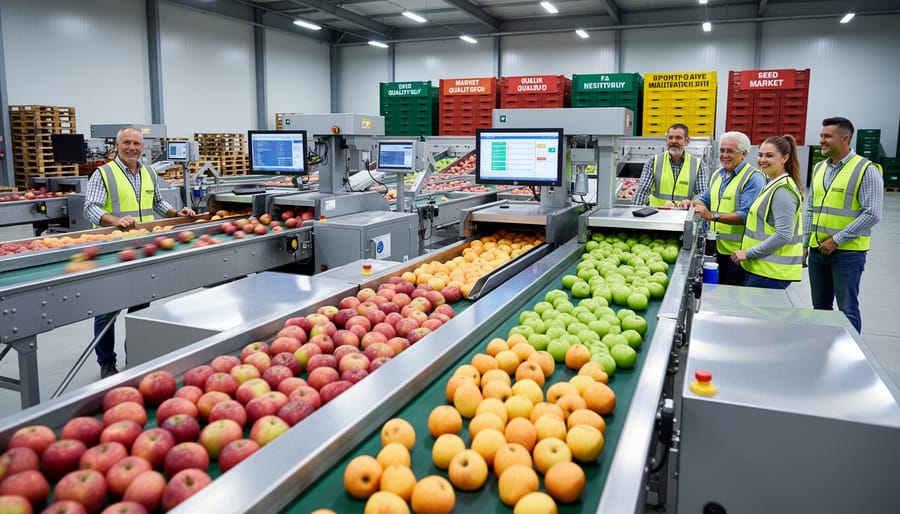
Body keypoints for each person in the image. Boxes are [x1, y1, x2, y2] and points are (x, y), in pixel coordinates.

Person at [84, 127, 195, 377]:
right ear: (117, 145)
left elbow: (157, 202)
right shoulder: (104, 173)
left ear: (142, 147)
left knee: (141, 306)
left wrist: (176, 213)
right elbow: (90, 208)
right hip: (112, 249)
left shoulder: (149, 172)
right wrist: (115, 221)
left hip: (143, 248)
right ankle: (106, 362)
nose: (131, 147)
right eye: (126, 143)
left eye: (136, 143)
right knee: (106, 310)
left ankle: (133, 354)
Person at [803, 117, 883, 333]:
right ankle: (823, 344)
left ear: (845, 138)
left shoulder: (866, 169)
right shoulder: (819, 168)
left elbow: (873, 213)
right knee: (820, 307)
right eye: (821, 136)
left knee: (847, 309)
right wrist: (805, 244)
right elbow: (810, 209)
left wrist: (837, 240)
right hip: (817, 250)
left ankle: (851, 351)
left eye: (827, 136)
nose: (822, 140)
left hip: (847, 254)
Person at [689, 131, 765, 285]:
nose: (724, 155)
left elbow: (746, 215)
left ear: (744, 153)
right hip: (715, 248)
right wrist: (690, 203)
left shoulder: (753, 178)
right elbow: (705, 200)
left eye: (730, 151)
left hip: (737, 254)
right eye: (722, 150)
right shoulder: (718, 175)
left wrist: (712, 216)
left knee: (732, 294)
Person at [730, 135, 803, 289]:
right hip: (761, 267)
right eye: (760, 155)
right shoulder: (772, 184)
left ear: (785, 158)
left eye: (769, 155)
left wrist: (748, 253)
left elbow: (783, 235)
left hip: (771, 272)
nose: (762, 160)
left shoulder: (783, 191)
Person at [632, 123, 710, 207]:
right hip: (656, 213)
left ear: (687, 141)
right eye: (670, 137)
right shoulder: (654, 161)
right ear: (666, 140)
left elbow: (702, 194)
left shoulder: (698, 165)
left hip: (684, 213)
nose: (673, 141)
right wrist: (634, 210)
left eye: (678, 138)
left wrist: (690, 203)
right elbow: (642, 190)